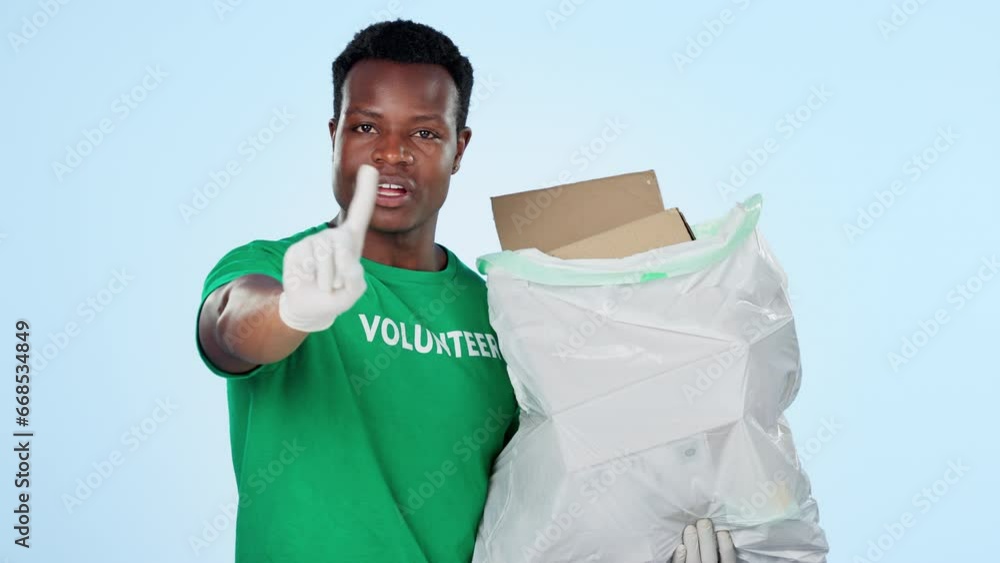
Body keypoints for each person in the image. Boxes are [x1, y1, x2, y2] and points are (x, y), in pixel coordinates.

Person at [195, 20, 517, 562]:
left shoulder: (503, 315)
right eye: (367, 128)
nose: (392, 154)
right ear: (334, 135)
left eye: (425, 133)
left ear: (458, 150)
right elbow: (230, 329)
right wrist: (292, 310)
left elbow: (533, 493)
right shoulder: (272, 266)